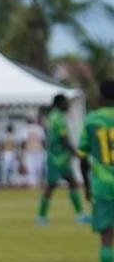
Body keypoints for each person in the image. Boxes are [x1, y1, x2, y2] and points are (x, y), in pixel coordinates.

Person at [76, 79, 114, 262]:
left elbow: (82, 157)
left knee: (107, 237)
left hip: (102, 185)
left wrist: (87, 187)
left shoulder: (92, 120)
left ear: (101, 97)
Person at [38, 94, 89, 224]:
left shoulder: (55, 116)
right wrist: (76, 152)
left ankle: (80, 215)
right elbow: (63, 139)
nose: (68, 105)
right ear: (59, 103)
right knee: (51, 185)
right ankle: (41, 216)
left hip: (61, 158)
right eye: (66, 103)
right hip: (56, 158)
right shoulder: (57, 118)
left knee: (72, 182)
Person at [23, 115, 46, 187]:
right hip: (39, 150)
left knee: (31, 168)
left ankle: (32, 183)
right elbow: (43, 141)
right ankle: (38, 182)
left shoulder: (25, 129)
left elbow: (23, 142)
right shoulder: (39, 129)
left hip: (29, 151)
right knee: (38, 168)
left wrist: (22, 151)